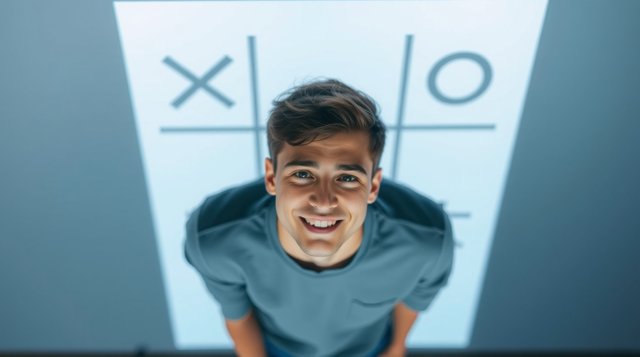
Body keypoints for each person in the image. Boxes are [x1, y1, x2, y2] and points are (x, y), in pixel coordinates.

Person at [184, 79, 454, 357]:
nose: (324, 202)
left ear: (373, 186)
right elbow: (238, 319)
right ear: (270, 177)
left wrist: (395, 348)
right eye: (303, 175)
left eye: (347, 178)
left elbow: (411, 307)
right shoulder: (215, 238)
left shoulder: (427, 241)